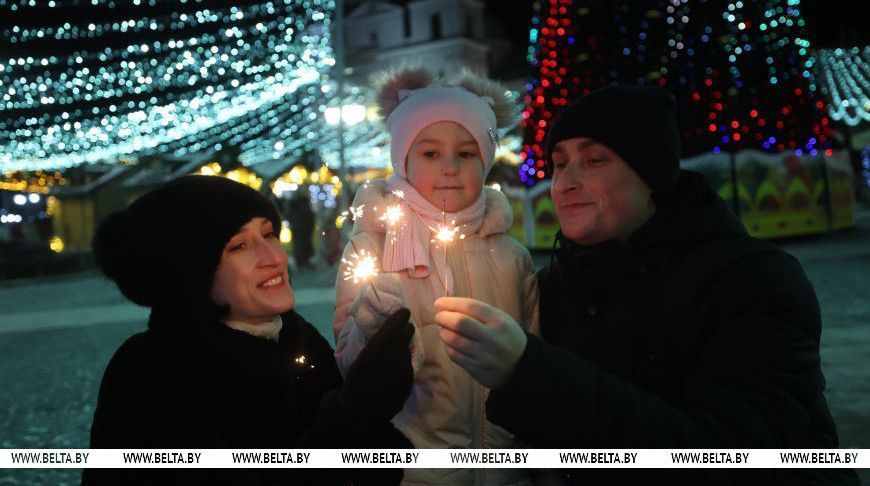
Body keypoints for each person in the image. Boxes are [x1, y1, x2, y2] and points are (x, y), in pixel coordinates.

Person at [434, 85, 859, 484]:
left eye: (594, 160)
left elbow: (737, 458)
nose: (565, 183)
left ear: (650, 173)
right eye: (559, 164)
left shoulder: (751, 279)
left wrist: (529, 372)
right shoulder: (552, 286)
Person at [82, 175, 414, 486]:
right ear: (190, 272)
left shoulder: (296, 337)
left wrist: (378, 405)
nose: (273, 257)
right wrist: (352, 414)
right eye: (239, 246)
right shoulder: (152, 372)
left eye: (269, 234)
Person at [332, 67, 539, 485]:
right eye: (430, 154)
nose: (450, 168)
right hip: (416, 470)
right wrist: (371, 322)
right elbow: (348, 367)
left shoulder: (511, 255)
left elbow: (534, 360)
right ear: (403, 160)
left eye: (466, 154)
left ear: (486, 161)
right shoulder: (374, 248)